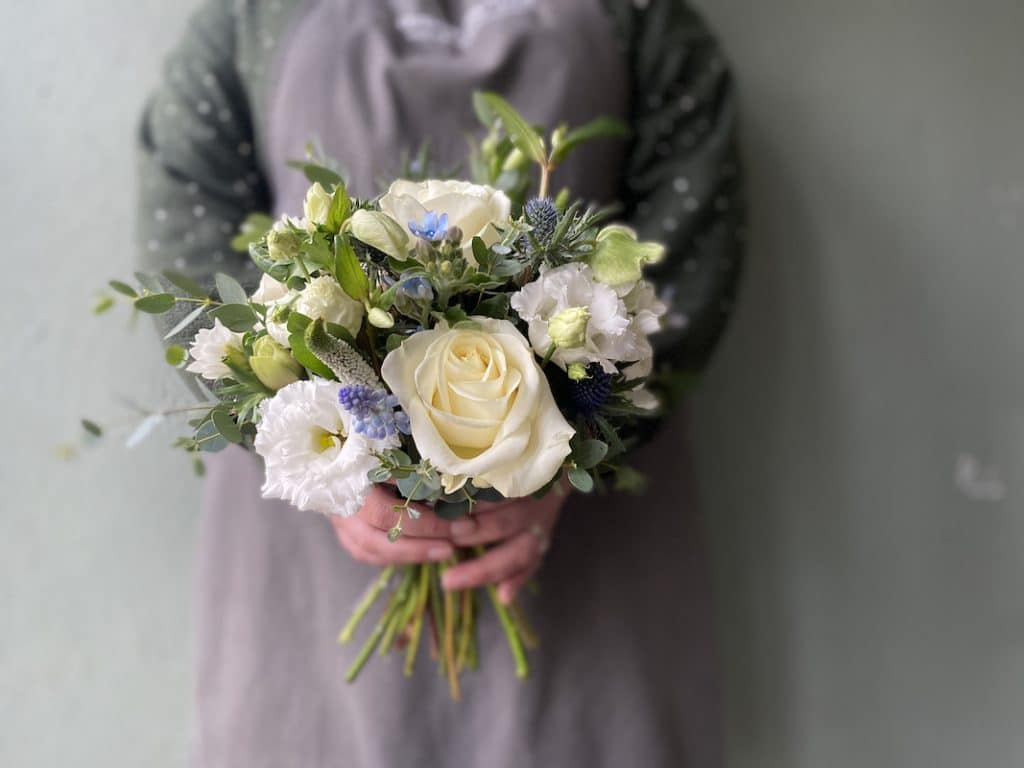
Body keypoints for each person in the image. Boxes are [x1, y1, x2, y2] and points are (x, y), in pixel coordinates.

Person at [137, 1, 744, 765]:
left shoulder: (646, 17)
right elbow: (186, 228)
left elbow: (687, 255)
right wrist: (328, 468)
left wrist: (564, 458)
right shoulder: (248, 14)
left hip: (589, 544)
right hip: (312, 540)